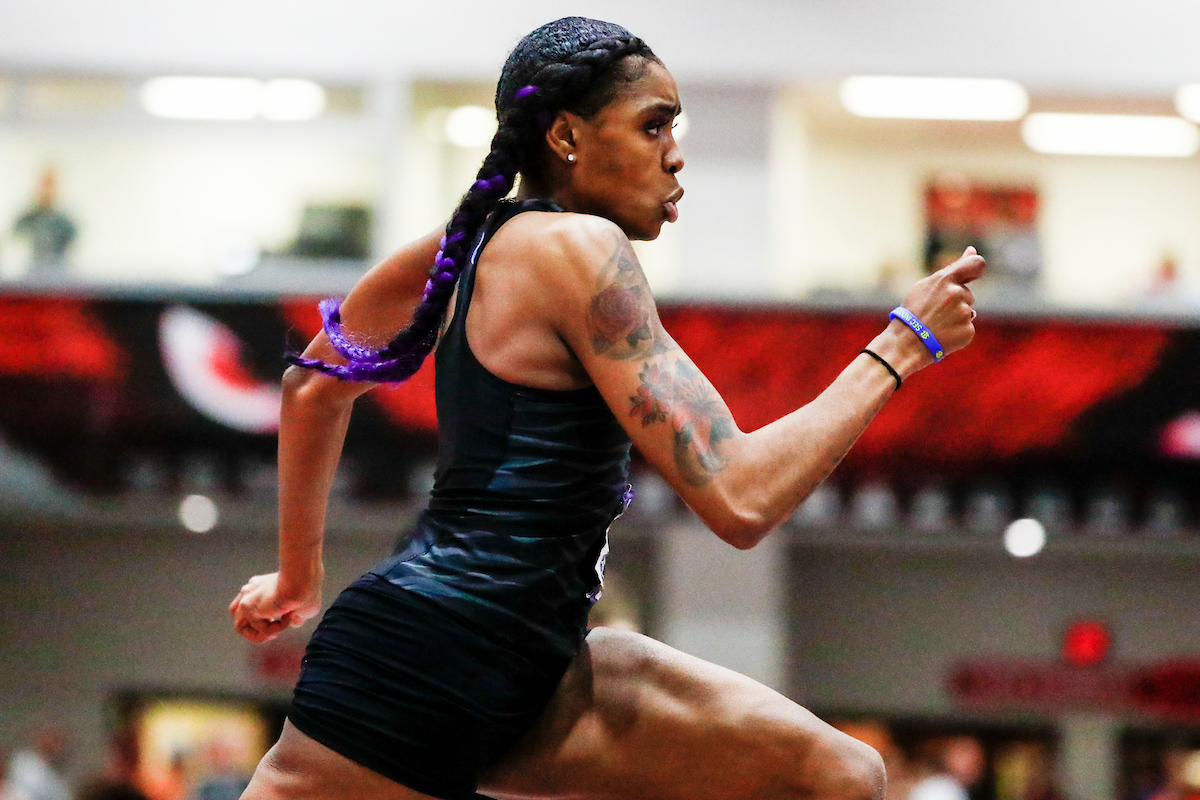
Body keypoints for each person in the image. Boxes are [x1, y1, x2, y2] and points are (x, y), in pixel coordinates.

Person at [228, 16, 983, 800]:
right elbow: (740, 495)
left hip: (536, 664)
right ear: (565, 136)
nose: (675, 152)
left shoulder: (469, 242)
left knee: (840, 772)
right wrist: (903, 345)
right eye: (653, 124)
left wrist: (296, 576)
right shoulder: (583, 249)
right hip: (432, 657)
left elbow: (314, 385)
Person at [11, 168, 77, 274]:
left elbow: (72, 240)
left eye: (50, 185)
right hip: (34, 268)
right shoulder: (30, 216)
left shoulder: (64, 221)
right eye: (44, 185)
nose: (46, 190)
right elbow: (15, 235)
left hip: (58, 269)